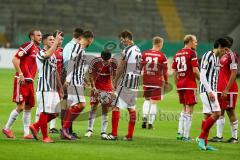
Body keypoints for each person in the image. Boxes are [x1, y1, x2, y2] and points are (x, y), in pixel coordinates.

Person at [2, 29, 42, 139]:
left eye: (41, 35)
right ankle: (6, 128)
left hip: (30, 82)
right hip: (22, 80)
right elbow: (15, 59)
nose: (40, 37)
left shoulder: (38, 49)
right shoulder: (28, 45)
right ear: (32, 37)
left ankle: (26, 133)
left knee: (28, 107)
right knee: (20, 107)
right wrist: (20, 74)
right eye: (38, 35)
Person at [106, 30, 141, 141]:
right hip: (135, 83)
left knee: (115, 105)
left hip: (126, 82)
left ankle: (114, 134)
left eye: (122, 39)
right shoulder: (138, 50)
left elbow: (121, 66)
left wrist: (115, 80)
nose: (122, 42)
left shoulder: (128, 49)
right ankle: (129, 135)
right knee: (131, 109)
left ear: (127, 38)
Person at [29, 32, 63, 143]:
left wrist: (60, 87)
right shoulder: (41, 52)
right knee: (45, 111)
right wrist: (57, 42)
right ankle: (45, 137)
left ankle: (36, 125)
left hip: (53, 88)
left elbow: (55, 71)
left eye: (54, 40)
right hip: (44, 87)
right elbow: (47, 55)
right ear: (44, 42)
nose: (53, 41)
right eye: (50, 40)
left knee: (57, 112)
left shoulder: (53, 55)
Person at [196, 38, 229, 150]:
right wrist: (210, 91)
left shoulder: (216, 58)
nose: (226, 52)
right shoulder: (208, 55)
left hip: (212, 90)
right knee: (217, 113)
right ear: (219, 46)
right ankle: (200, 138)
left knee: (208, 115)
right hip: (207, 90)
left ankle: (204, 144)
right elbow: (202, 75)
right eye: (225, 49)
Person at [61, 30, 94, 140]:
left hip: (78, 81)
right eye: (91, 41)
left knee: (74, 106)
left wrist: (84, 80)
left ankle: (65, 130)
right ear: (89, 39)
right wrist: (68, 79)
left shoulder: (81, 49)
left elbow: (78, 67)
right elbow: (71, 63)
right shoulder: (77, 47)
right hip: (74, 81)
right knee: (81, 105)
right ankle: (64, 129)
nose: (91, 43)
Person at [209, 36, 239, 143]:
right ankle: (219, 136)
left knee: (230, 111)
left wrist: (226, 89)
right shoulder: (223, 56)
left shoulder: (232, 55)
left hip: (229, 89)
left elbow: (234, 73)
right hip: (220, 89)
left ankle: (235, 137)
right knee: (220, 112)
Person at [84, 50, 118, 139]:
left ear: (110, 59)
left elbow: (115, 77)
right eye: (103, 61)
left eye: (107, 61)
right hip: (96, 87)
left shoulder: (113, 63)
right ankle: (89, 130)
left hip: (107, 88)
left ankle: (103, 131)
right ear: (101, 57)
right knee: (93, 107)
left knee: (105, 108)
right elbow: (90, 74)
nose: (105, 62)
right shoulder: (95, 62)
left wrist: (114, 90)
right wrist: (93, 87)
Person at [172, 34, 200, 141]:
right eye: (195, 41)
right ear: (189, 42)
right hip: (189, 84)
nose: (196, 43)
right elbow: (195, 70)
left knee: (184, 109)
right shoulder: (192, 53)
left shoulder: (177, 53)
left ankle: (180, 133)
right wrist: (202, 81)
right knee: (190, 110)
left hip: (181, 84)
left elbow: (174, 72)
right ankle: (186, 136)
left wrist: (176, 84)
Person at [141, 36, 168, 129]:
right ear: (160, 44)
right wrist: (167, 82)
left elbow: (139, 68)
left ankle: (144, 118)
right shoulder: (162, 56)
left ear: (153, 43)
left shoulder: (144, 54)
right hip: (157, 81)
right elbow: (165, 71)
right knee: (154, 102)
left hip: (146, 80)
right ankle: (150, 124)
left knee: (147, 100)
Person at [61, 28, 84, 138]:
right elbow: (67, 63)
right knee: (66, 103)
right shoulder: (71, 46)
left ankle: (68, 130)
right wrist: (68, 79)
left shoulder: (72, 46)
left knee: (72, 104)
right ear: (81, 37)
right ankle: (65, 129)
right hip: (68, 76)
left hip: (71, 76)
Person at [49, 31, 64, 134]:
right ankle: (39, 124)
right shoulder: (50, 51)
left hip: (58, 81)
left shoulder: (63, 51)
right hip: (48, 81)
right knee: (46, 103)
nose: (61, 41)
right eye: (59, 38)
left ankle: (52, 127)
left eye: (62, 39)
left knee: (56, 104)